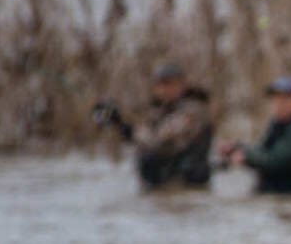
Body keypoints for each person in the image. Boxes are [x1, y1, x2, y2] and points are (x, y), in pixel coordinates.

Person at [92, 62, 214, 190]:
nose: (164, 89)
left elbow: (159, 141)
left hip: (185, 185)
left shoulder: (193, 110)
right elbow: (143, 130)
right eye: (160, 84)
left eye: (170, 83)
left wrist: (124, 126)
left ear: (182, 84)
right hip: (162, 185)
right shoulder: (159, 110)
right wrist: (115, 118)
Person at [218, 76, 291, 195]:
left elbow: (275, 160)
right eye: (276, 99)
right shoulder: (278, 126)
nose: (279, 104)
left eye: (285, 99)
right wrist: (237, 147)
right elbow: (263, 149)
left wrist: (245, 156)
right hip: (273, 195)